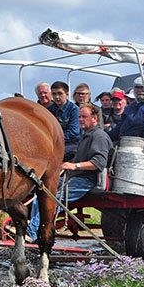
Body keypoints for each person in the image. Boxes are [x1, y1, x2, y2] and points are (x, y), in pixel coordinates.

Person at [27, 103, 113, 241]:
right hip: (74, 177)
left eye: (84, 116)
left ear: (95, 119)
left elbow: (98, 163)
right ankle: (34, 232)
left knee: (54, 199)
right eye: (79, 116)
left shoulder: (99, 136)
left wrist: (74, 166)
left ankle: (32, 233)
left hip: (87, 180)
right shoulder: (86, 135)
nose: (80, 119)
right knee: (42, 192)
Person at [47, 81, 80, 159]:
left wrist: (55, 139)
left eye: (60, 93)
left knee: (53, 154)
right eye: (54, 94)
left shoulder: (74, 109)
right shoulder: (49, 110)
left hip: (72, 144)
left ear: (67, 95)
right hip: (53, 142)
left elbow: (73, 132)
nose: (57, 97)